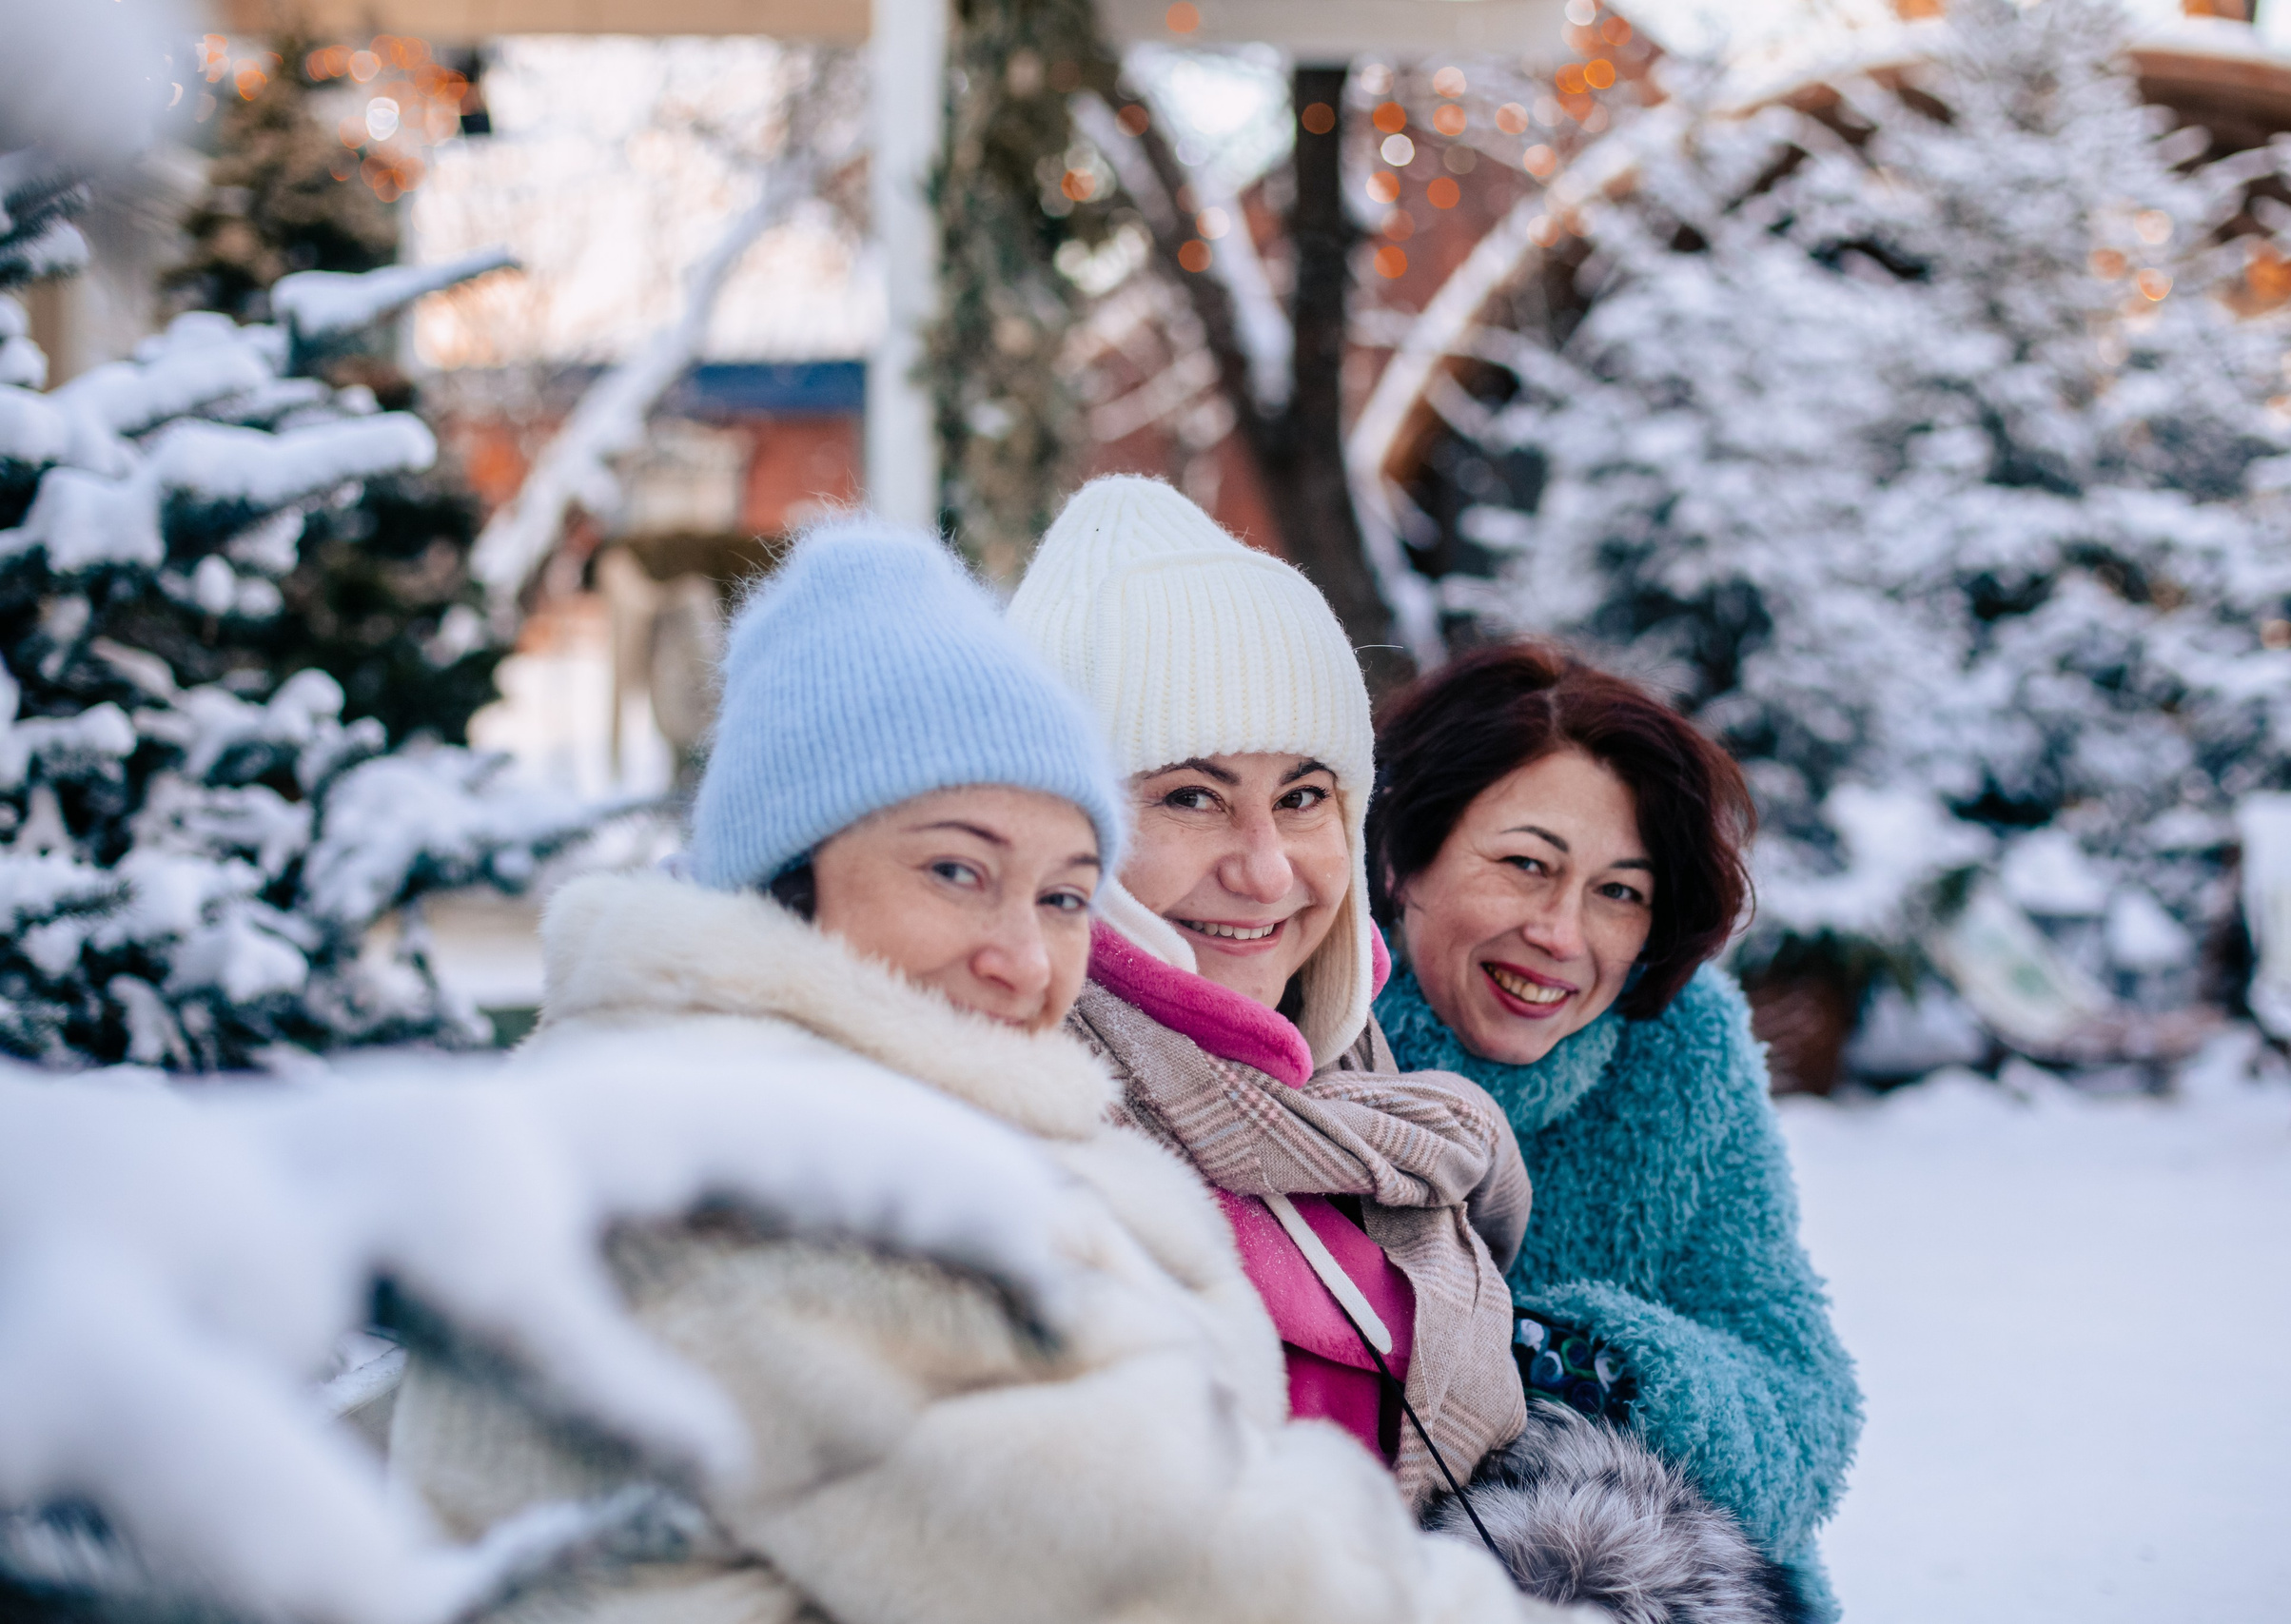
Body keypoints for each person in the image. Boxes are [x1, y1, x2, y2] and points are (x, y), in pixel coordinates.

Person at [387, 519, 1554, 1624]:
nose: (1023, 957)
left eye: (1061, 895)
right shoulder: (772, 1180)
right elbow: (1176, 1576)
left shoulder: (783, 1105)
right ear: (792, 872)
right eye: (956, 872)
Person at [1008, 479, 1794, 1624]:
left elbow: (1794, 1382)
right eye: (1189, 795)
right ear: (1404, 860)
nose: (1267, 868)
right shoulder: (1033, 1122)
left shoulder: (1368, 1097)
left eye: (1304, 796)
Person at [1366, 638, 1865, 1622]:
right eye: (1524, 865)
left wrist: (1588, 1361)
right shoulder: (1297, 1029)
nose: (1563, 934)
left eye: (1619, 892)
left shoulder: (1674, 1051)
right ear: (1398, 859)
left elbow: (1803, 1410)